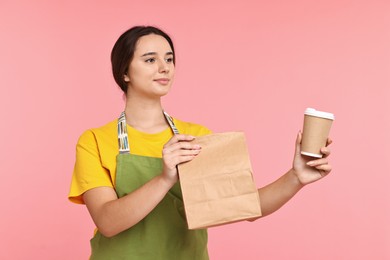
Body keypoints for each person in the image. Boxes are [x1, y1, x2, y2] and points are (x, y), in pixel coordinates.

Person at [68, 26, 332, 259]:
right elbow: (108, 222)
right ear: (124, 72)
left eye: (169, 59)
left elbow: (243, 206)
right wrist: (165, 178)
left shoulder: (195, 136)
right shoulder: (95, 141)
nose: (164, 67)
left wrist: (295, 177)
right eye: (150, 59)